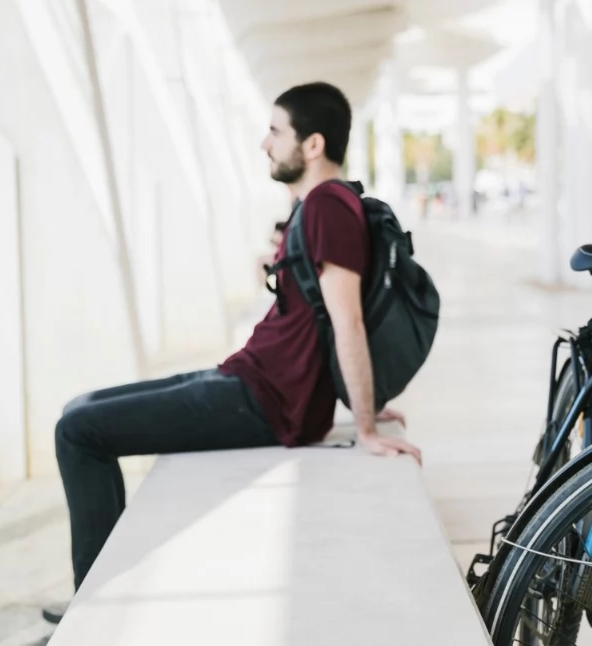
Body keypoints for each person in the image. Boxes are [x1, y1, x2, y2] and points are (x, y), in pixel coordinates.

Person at [43, 81, 421, 624]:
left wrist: (364, 424)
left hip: (265, 402)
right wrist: (367, 399)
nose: (264, 144)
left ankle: (92, 611)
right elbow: (321, 318)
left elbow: (348, 320)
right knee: (79, 409)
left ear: (312, 145)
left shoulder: (328, 209)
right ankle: (98, 593)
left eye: (275, 132)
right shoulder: (315, 207)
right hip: (248, 379)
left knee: (78, 433)